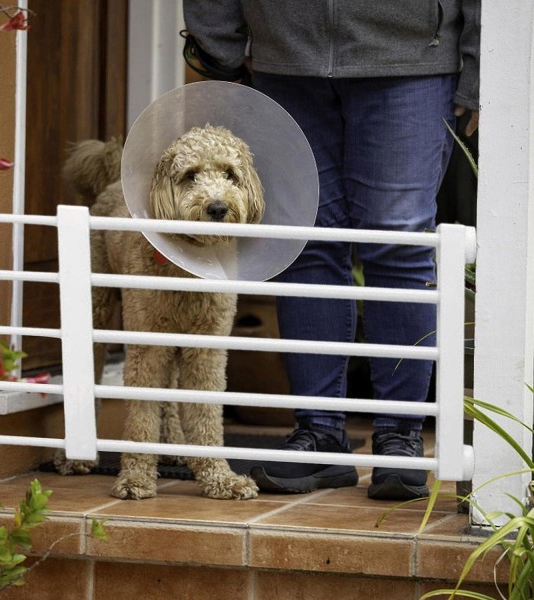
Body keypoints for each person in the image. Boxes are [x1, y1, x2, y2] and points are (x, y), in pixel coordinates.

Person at [182, 1, 480, 500]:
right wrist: (221, 47)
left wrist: (481, 63)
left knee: (398, 240)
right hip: (283, 59)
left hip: (413, 58)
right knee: (307, 241)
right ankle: (319, 435)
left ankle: (399, 440)